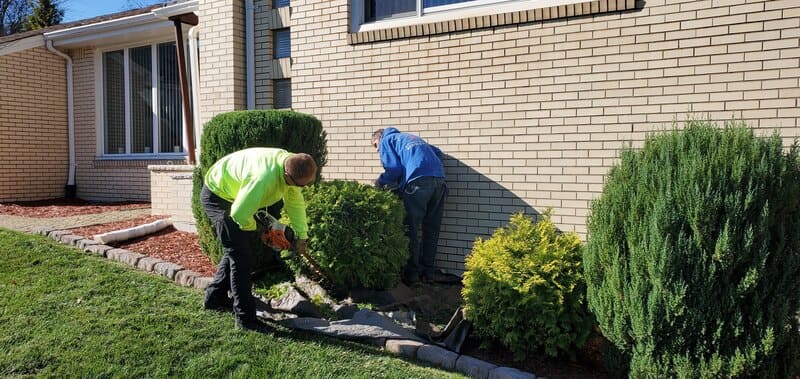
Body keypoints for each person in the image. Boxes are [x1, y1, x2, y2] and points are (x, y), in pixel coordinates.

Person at [201, 147, 316, 330]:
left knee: (235, 250)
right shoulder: (262, 179)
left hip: (238, 194)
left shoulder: (291, 165)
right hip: (219, 196)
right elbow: (239, 214)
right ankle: (246, 320)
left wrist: (302, 237)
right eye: (301, 185)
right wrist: (260, 231)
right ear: (287, 175)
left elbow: (295, 202)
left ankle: (215, 298)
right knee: (241, 259)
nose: (302, 188)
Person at [371, 127, 447, 285]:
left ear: (379, 138)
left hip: (418, 183)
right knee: (431, 229)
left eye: (375, 145)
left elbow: (393, 170)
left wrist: (380, 183)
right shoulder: (410, 138)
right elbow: (438, 152)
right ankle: (429, 273)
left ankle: (412, 275)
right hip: (439, 180)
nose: (377, 150)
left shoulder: (387, 140)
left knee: (410, 228)